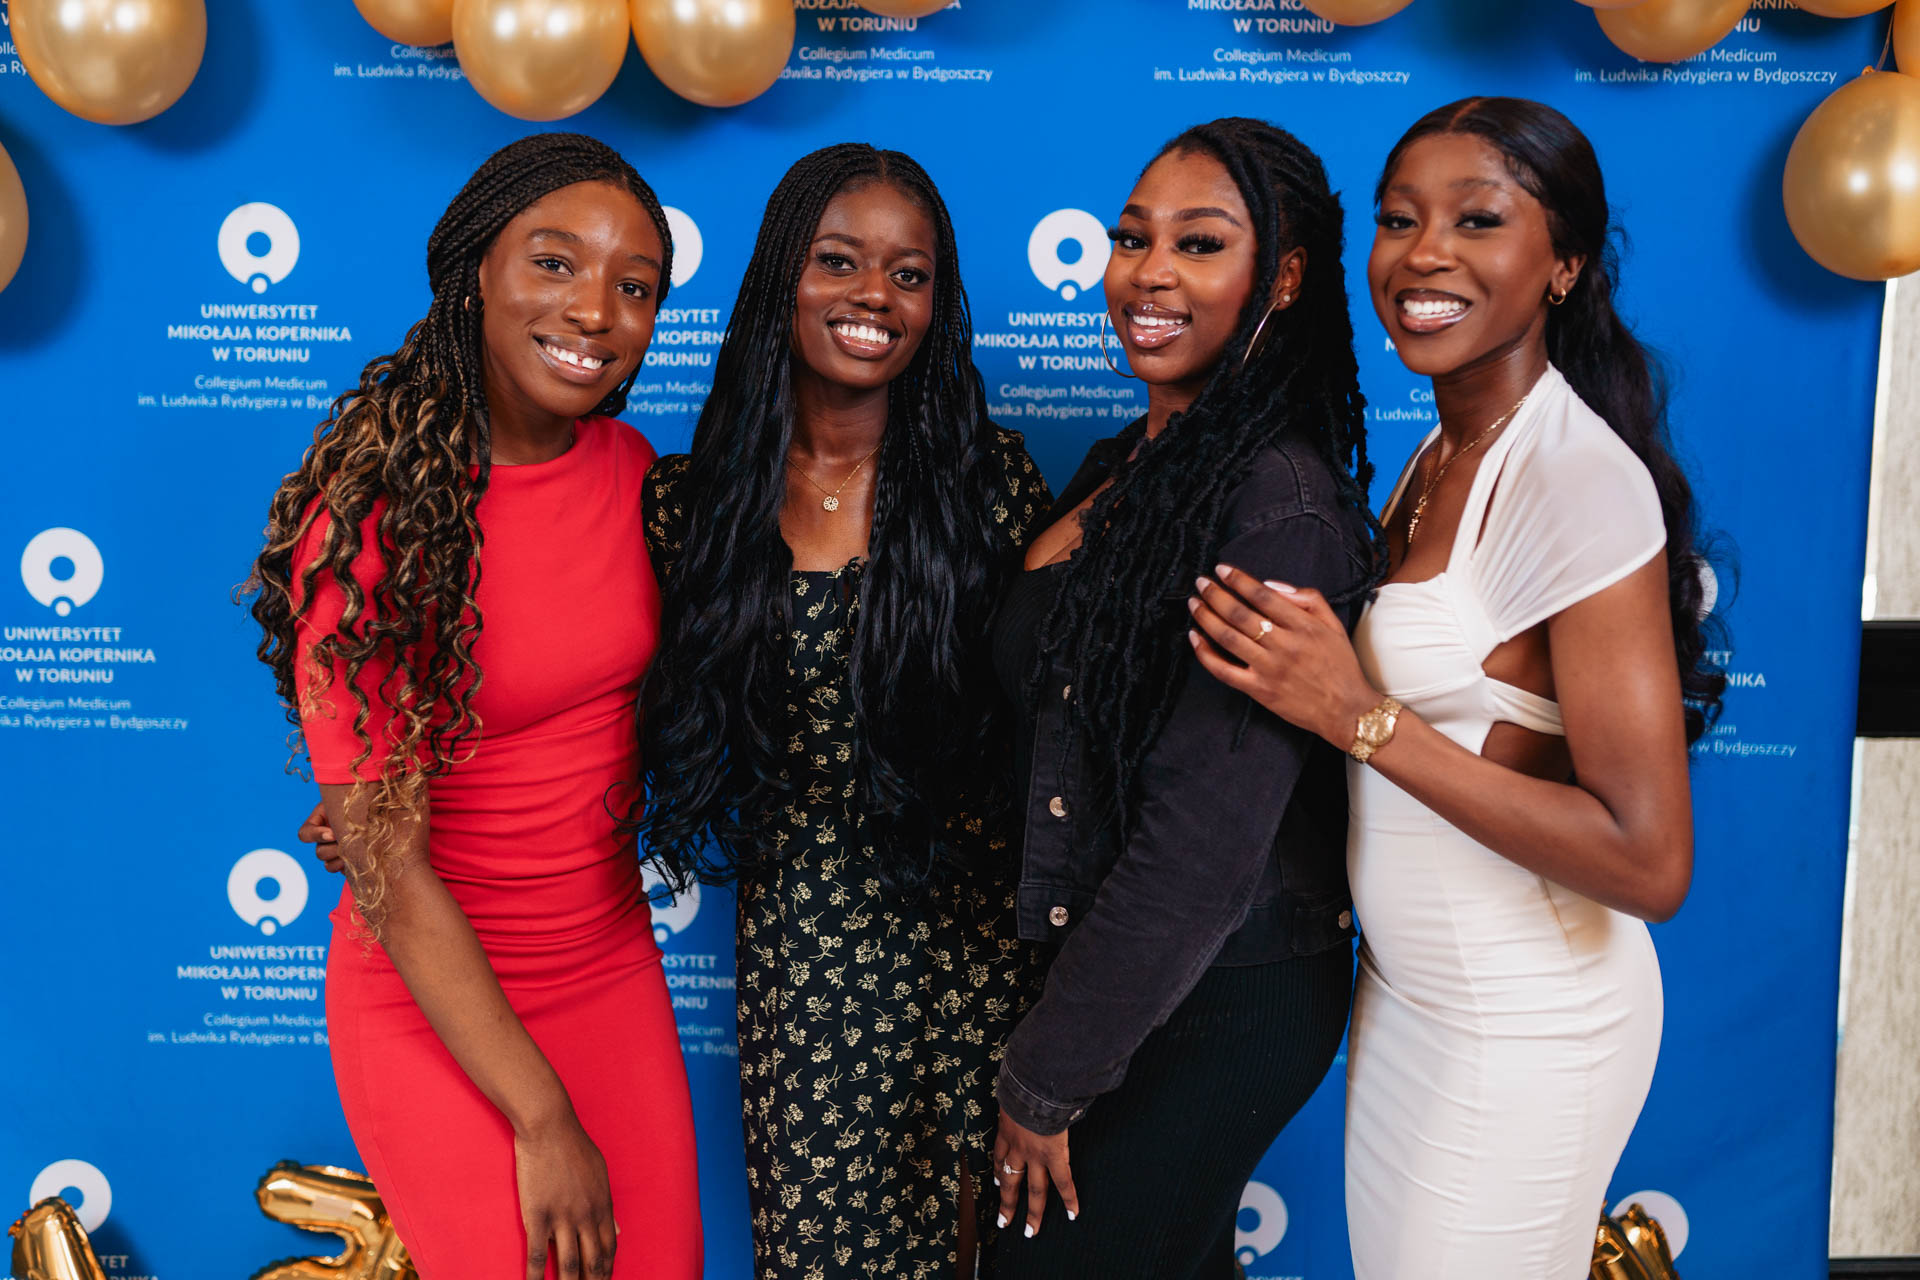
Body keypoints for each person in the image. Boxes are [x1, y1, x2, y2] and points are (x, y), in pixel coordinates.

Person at [1188, 97, 1726, 1279]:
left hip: (1524, 1022)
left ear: (1564, 265)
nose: (1423, 254)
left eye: (1477, 220)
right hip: (1414, 1000)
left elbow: (1650, 860)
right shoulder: (1438, 456)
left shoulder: (1576, 479)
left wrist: (1359, 716)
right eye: (1399, 219)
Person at [248, 133, 701, 1280]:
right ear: (475, 274)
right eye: (555, 262)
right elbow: (390, 865)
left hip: (609, 967)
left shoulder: (632, 469)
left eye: (635, 285)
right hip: (435, 997)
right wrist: (542, 1118)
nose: (595, 310)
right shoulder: (371, 523)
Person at [638, 143, 1051, 1280]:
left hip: (980, 955)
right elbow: (577, 678)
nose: (875, 295)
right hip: (807, 967)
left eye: (909, 274)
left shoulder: (990, 488)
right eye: (838, 261)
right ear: (783, 277)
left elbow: (1065, 720)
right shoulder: (692, 507)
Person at [986, 117, 1379, 1276]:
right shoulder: (1132, 464)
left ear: (1285, 278)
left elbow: (1201, 847)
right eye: (1132, 238)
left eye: (1199, 244)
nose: (1148, 273)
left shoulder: (1276, 508)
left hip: (1216, 994)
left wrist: (1045, 1076)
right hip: (1124, 977)